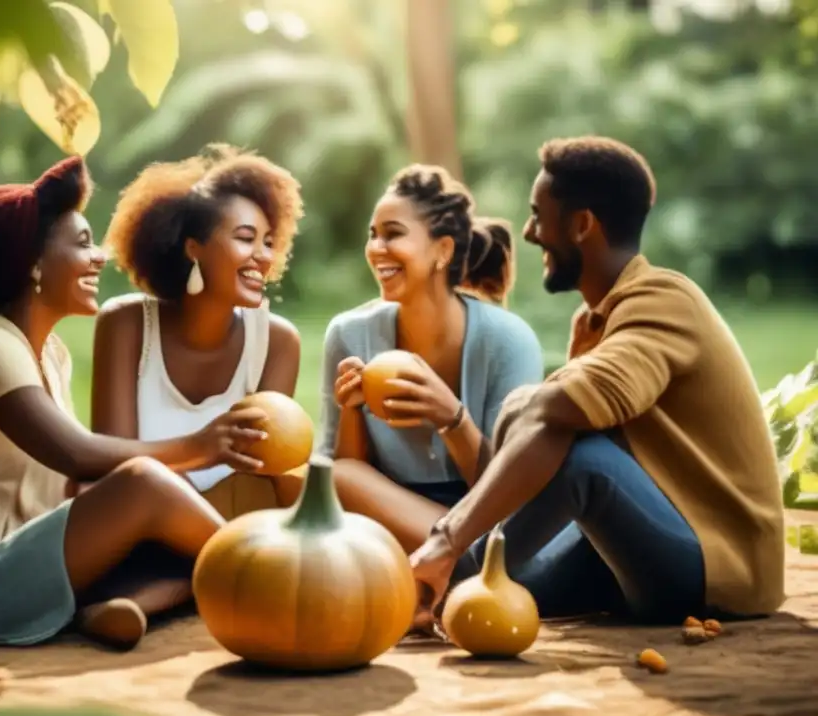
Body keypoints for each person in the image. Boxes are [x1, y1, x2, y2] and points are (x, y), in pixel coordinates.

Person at [410, 136, 785, 630]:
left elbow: (563, 416)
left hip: (718, 569)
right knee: (487, 588)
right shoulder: (594, 321)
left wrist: (449, 536)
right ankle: (435, 585)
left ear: (582, 224)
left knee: (578, 456)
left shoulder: (664, 300)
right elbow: (546, 420)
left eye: (538, 216)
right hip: (633, 541)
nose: (527, 232)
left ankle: (443, 562)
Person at [0, 157, 229, 652]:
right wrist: (199, 446)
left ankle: (121, 605)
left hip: (18, 556)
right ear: (33, 264)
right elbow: (74, 454)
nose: (99, 257)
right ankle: (270, 564)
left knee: (172, 537)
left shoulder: (48, 354)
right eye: (81, 244)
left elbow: (71, 481)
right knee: (146, 485)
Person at [318, 164, 545, 554]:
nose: (376, 249)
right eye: (373, 235)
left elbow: (514, 489)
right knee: (339, 476)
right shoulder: (348, 335)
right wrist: (352, 410)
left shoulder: (509, 341)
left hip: (486, 522)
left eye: (393, 234)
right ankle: (453, 570)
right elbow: (348, 479)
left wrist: (451, 418)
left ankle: (452, 565)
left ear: (443, 250)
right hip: (391, 519)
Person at [91, 144, 306, 520]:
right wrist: (199, 447)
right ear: (194, 248)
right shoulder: (125, 325)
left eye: (269, 242)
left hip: (236, 535)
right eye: (245, 237)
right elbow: (110, 470)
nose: (263, 255)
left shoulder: (277, 342)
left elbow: (264, 475)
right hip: (137, 532)